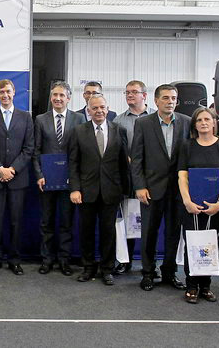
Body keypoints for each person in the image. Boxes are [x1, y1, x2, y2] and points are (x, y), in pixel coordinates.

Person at [130, 84, 191, 291]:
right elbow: (137, 158)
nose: (170, 101)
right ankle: (148, 273)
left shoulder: (186, 122)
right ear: (156, 101)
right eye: (165, 98)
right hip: (150, 189)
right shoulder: (143, 123)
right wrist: (139, 186)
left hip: (178, 190)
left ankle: (169, 273)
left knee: (173, 234)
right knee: (149, 233)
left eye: (173, 98)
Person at [68, 93, 129, 285]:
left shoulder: (119, 130)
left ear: (108, 109)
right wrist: (75, 189)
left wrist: (125, 189)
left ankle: (107, 269)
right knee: (86, 231)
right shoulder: (79, 131)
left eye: (102, 107)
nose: (99, 111)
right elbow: (73, 163)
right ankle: (88, 267)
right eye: (94, 108)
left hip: (111, 191)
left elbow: (123, 163)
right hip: (86, 191)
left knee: (108, 231)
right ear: (88, 110)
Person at [176, 106, 219, 303]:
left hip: (216, 207)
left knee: (211, 244)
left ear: (214, 122)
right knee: (192, 244)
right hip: (191, 205)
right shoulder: (187, 146)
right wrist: (187, 201)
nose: (203, 123)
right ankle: (192, 286)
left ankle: (206, 286)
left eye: (207, 119)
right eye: (199, 120)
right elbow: (182, 176)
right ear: (194, 125)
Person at [0, 79, 35, 275]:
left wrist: (12, 170)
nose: (5, 95)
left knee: (15, 221)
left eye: (8, 91)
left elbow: (29, 148)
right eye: (2, 92)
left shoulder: (26, 117)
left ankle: (14, 260)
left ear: (14, 93)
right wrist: (0, 169)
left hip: (17, 179)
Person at [33, 81, 83, 276]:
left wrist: (76, 178)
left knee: (66, 223)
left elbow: (80, 151)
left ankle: (64, 260)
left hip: (70, 181)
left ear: (68, 98)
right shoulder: (40, 119)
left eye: (62, 95)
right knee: (46, 222)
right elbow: (36, 150)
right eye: (55, 95)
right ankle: (47, 260)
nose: (58, 98)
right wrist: (39, 175)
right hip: (47, 181)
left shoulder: (79, 119)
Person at [112, 79, 154, 274]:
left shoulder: (155, 117)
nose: (130, 95)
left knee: (150, 222)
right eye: (127, 92)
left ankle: (149, 265)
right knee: (128, 220)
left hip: (152, 178)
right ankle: (125, 260)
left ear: (144, 95)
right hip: (128, 179)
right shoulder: (118, 121)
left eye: (134, 92)